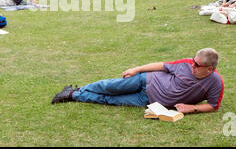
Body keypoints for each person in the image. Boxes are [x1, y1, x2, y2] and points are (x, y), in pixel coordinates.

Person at [52, 48, 224, 115]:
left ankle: (73, 94)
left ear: (210, 69)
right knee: (108, 86)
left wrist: (192, 108)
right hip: (145, 80)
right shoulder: (186, 63)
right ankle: (81, 88)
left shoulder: (215, 82)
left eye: (197, 64)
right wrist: (138, 69)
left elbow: (213, 105)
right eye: (193, 61)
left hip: (148, 101)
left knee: (110, 100)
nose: (192, 65)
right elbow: (162, 65)